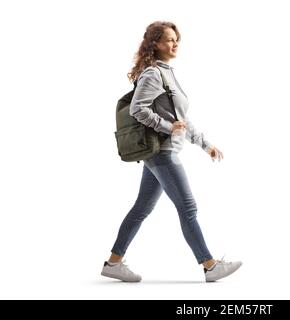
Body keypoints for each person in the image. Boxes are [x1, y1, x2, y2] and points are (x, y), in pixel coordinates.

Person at [101, 21, 242, 282]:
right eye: (168, 39)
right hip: (161, 151)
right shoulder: (153, 74)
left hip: (164, 149)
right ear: (155, 43)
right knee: (188, 207)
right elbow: (138, 110)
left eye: (176, 39)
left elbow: (181, 118)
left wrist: (205, 144)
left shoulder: (166, 72)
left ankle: (113, 263)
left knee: (141, 208)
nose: (174, 44)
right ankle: (210, 266)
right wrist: (168, 126)